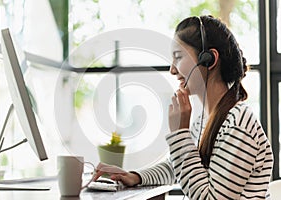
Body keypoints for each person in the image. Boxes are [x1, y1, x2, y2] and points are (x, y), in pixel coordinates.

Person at [94, 15, 274, 199]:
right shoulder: (206, 120)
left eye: (178, 57)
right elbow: (176, 165)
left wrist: (180, 134)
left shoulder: (237, 124)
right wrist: (135, 176)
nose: (172, 69)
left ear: (208, 59)